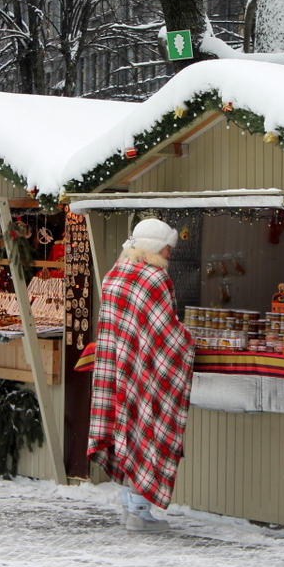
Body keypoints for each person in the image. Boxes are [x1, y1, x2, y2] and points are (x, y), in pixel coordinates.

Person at [87, 219, 194, 532]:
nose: (169, 253)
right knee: (143, 431)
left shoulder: (115, 274)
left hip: (119, 367)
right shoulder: (154, 277)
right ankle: (139, 513)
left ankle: (129, 506)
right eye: (167, 247)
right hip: (144, 372)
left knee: (125, 430)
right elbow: (166, 332)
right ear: (154, 246)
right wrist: (188, 340)